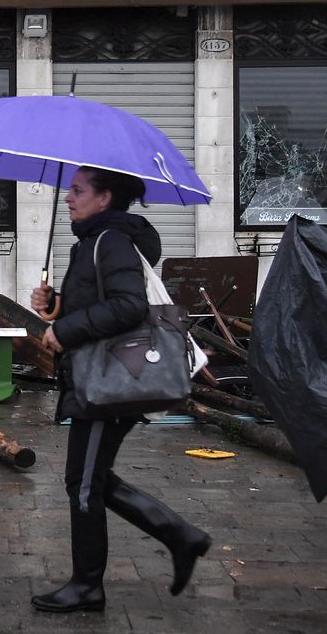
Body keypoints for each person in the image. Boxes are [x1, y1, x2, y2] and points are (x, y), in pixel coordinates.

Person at [28, 165, 212, 613]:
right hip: (102, 379)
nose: (68, 198)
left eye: (77, 190)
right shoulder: (93, 242)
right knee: (88, 479)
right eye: (69, 191)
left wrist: (65, 330)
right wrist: (54, 306)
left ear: (105, 197)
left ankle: (88, 585)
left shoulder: (110, 241)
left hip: (110, 382)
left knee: (85, 485)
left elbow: (129, 308)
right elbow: (99, 303)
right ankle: (181, 536)